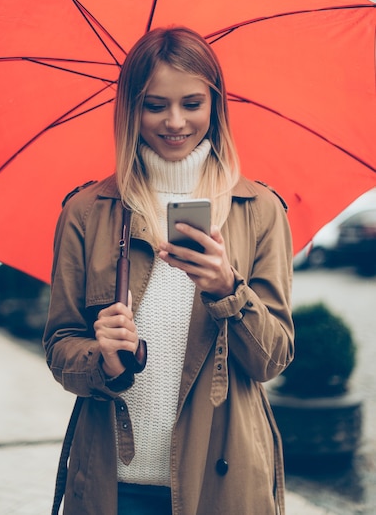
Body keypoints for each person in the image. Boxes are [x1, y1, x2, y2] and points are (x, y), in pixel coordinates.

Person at [43, 26, 294, 515]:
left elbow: (273, 358)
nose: (175, 122)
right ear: (130, 109)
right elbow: (59, 347)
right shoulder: (87, 210)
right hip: (113, 486)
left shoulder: (258, 210)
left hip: (222, 484)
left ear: (215, 105)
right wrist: (105, 360)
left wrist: (228, 290)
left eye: (192, 103)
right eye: (155, 105)